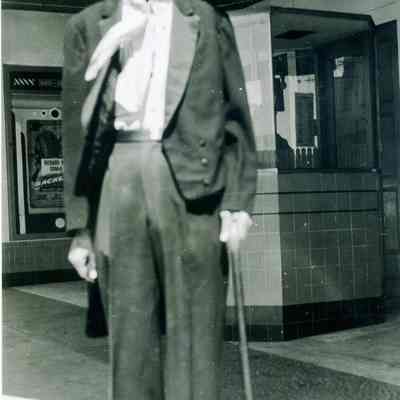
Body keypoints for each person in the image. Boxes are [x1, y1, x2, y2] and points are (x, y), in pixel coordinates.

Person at [62, 0, 257, 398]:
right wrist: (81, 228)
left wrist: (237, 201)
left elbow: (234, 115)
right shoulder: (88, 25)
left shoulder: (207, 18)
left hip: (194, 186)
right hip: (118, 177)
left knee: (196, 340)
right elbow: (75, 133)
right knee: (130, 347)